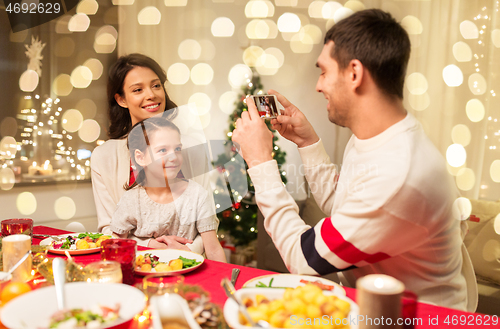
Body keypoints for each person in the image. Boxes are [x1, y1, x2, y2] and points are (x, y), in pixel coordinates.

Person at [232, 9, 477, 311]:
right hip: (372, 306)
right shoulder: (378, 136)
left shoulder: (399, 173)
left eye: (323, 71)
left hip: (416, 318)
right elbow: (345, 208)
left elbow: (303, 258)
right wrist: (308, 143)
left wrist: (259, 162)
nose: (318, 85)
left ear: (355, 73)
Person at [91, 53, 208, 251]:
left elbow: (208, 220)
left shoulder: (194, 148)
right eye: (138, 90)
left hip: (190, 263)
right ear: (121, 100)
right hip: (134, 263)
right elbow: (108, 228)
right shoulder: (103, 157)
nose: (151, 95)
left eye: (156, 85)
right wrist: (150, 246)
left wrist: (187, 252)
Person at [109, 117, 226, 262]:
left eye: (177, 149)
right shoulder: (131, 200)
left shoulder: (197, 195)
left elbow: (213, 250)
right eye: (163, 150)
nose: (174, 157)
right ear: (140, 158)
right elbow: (116, 246)